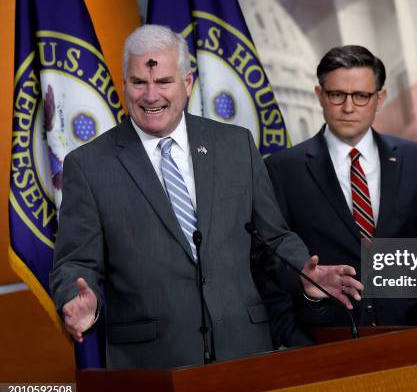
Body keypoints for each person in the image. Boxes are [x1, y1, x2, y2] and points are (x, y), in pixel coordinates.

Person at [49, 25, 362, 369]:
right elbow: (75, 263)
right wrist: (79, 298)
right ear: (124, 85)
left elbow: (272, 238)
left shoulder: (235, 145)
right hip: (152, 364)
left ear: (188, 83)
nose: (151, 96)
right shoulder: (89, 165)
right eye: (139, 82)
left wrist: (303, 271)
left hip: (245, 352)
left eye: (164, 81)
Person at [263, 45, 417, 385]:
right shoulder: (283, 170)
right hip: (325, 348)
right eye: (337, 95)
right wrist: (292, 342)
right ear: (319, 95)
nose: (349, 107)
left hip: (413, 340)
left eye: (361, 96)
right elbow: (271, 263)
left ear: (381, 97)